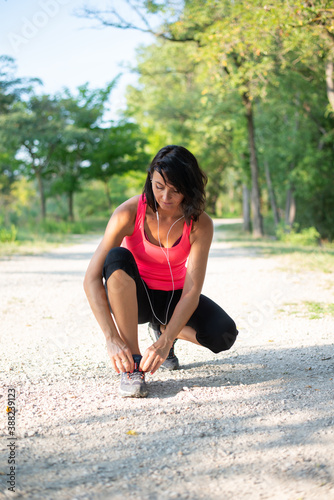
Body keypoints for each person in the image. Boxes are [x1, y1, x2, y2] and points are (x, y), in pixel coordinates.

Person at [84, 145, 238, 398]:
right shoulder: (128, 213)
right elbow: (91, 279)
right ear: (150, 180)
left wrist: (165, 342)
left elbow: (192, 292)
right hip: (135, 297)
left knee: (224, 334)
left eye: (175, 190)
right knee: (116, 257)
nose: (165, 196)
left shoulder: (200, 223)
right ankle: (134, 365)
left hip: (174, 296)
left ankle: (164, 329)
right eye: (159, 186)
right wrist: (112, 338)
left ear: (190, 188)